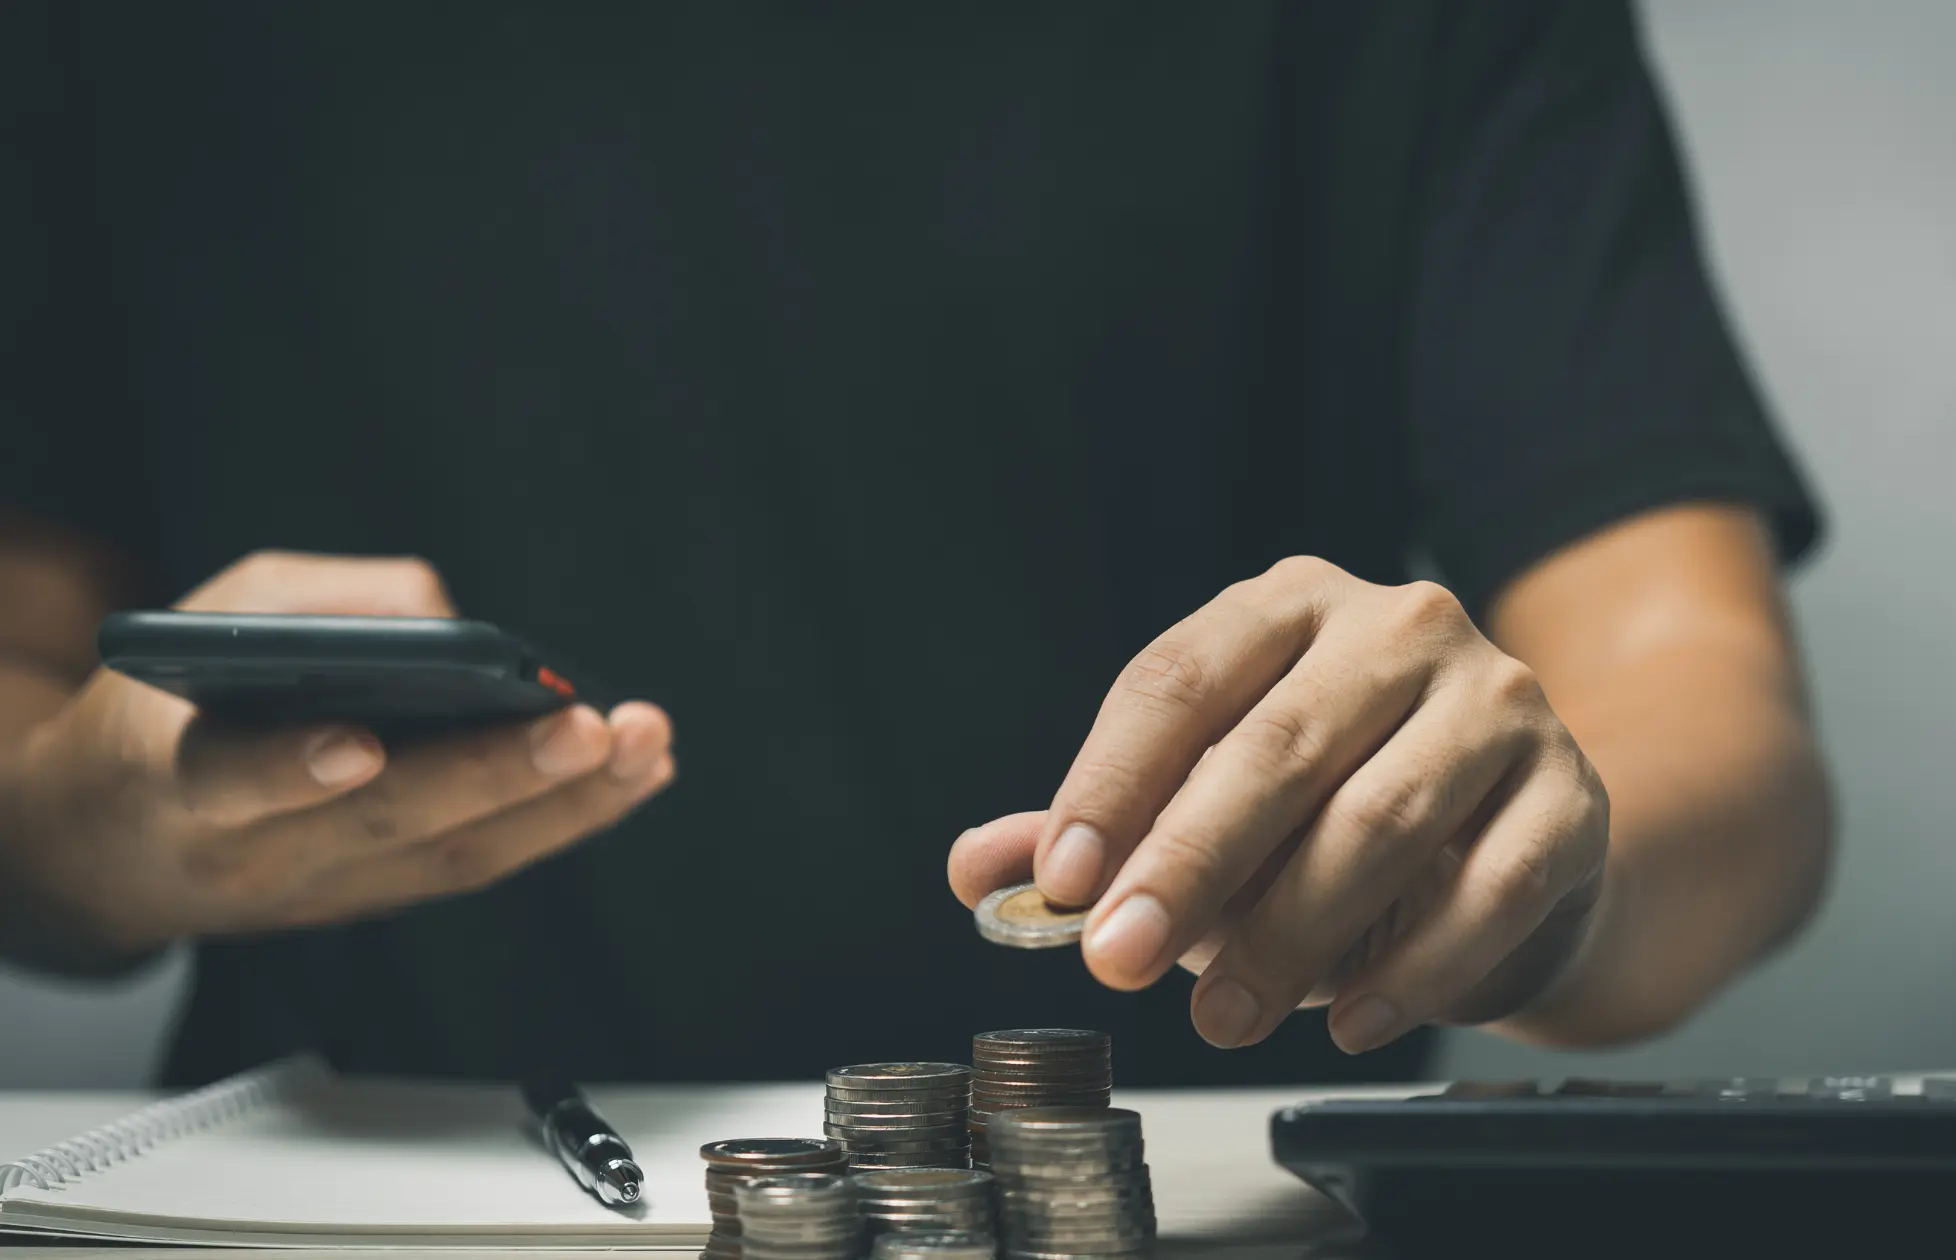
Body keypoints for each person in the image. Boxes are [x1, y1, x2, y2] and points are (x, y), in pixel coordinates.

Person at [0, 0, 1832, 1090]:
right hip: (321, 1203)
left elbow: (1715, 729)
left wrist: (1531, 869)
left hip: (1199, 1207)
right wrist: (73, 828)